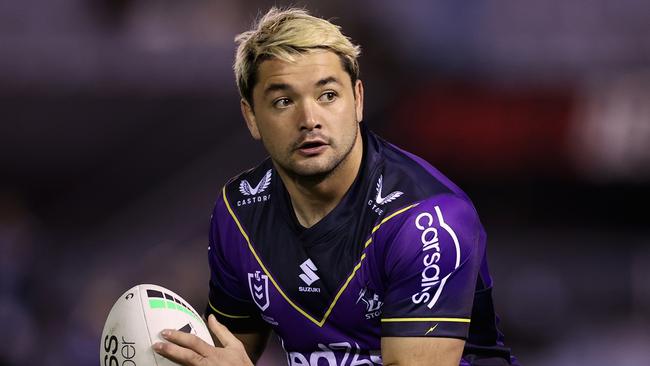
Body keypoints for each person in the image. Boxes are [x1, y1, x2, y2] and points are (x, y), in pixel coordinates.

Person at [153, 7, 518, 366]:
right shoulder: (239, 212)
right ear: (251, 117)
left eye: (328, 95)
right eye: (283, 101)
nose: (309, 120)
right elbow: (227, 353)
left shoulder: (427, 220)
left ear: (357, 100)